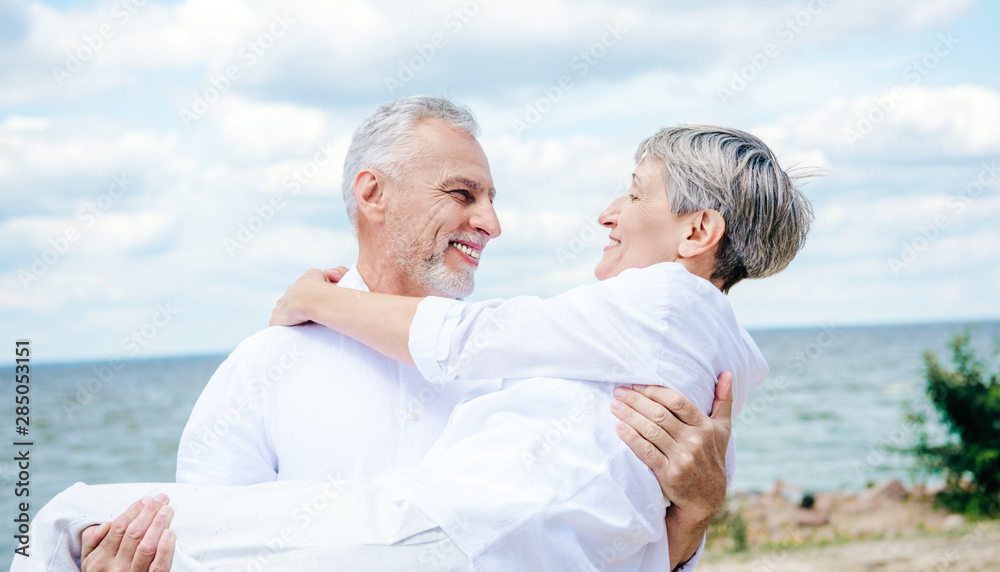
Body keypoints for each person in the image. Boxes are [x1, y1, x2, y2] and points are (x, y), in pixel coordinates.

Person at [38, 98, 734, 572]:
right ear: (373, 195)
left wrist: (691, 523)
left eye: (493, 200)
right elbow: (213, 544)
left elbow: (576, 544)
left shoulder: (536, 371)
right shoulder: (265, 365)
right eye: (464, 194)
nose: (492, 223)